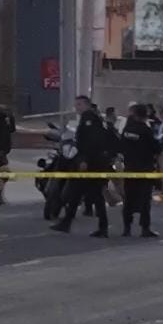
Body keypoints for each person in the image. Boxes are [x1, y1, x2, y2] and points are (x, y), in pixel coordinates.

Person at [53, 96, 111, 236]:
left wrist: (84, 160)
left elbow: (90, 142)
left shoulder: (89, 119)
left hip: (90, 163)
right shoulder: (93, 118)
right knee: (78, 193)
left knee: (90, 194)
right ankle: (67, 222)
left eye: (79, 104)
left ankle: (101, 227)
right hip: (93, 162)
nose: (76, 107)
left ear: (86, 105)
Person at [120, 103, 160, 237]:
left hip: (130, 167)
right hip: (145, 168)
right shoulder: (146, 130)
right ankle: (145, 228)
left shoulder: (127, 129)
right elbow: (156, 147)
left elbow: (121, 146)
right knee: (144, 199)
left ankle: (127, 228)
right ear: (145, 116)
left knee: (129, 198)